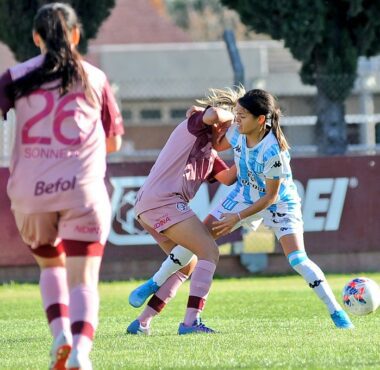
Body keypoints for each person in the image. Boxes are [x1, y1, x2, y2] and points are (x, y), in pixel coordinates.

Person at [130, 88, 354, 331]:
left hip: (278, 203)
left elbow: (269, 196)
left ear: (260, 120)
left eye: (241, 115)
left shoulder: (274, 152)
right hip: (241, 197)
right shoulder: (232, 131)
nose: (235, 121)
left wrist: (237, 217)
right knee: (200, 245)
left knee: (298, 259)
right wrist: (220, 124)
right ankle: (160, 294)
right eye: (234, 115)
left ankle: (337, 312)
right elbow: (219, 144)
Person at [0, 3, 124, 369]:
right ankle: (81, 353)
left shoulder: (14, 77)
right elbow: (114, 141)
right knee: (83, 278)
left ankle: (60, 336)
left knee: (50, 266)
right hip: (81, 190)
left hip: (29, 192)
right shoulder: (95, 78)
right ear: (75, 35)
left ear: (36, 37)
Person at [126, 89, 239, 336]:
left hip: (149, 206)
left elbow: (229, 177)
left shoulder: (210, 152)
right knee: (209, 251)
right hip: (164, 202)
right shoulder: (198, 124)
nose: (231, 137)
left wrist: (248, 152)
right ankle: (190, 323)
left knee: (186, 266)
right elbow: (213, 113)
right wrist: (233, 117)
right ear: (223, 123)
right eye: (231, 130)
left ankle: (142, 322)